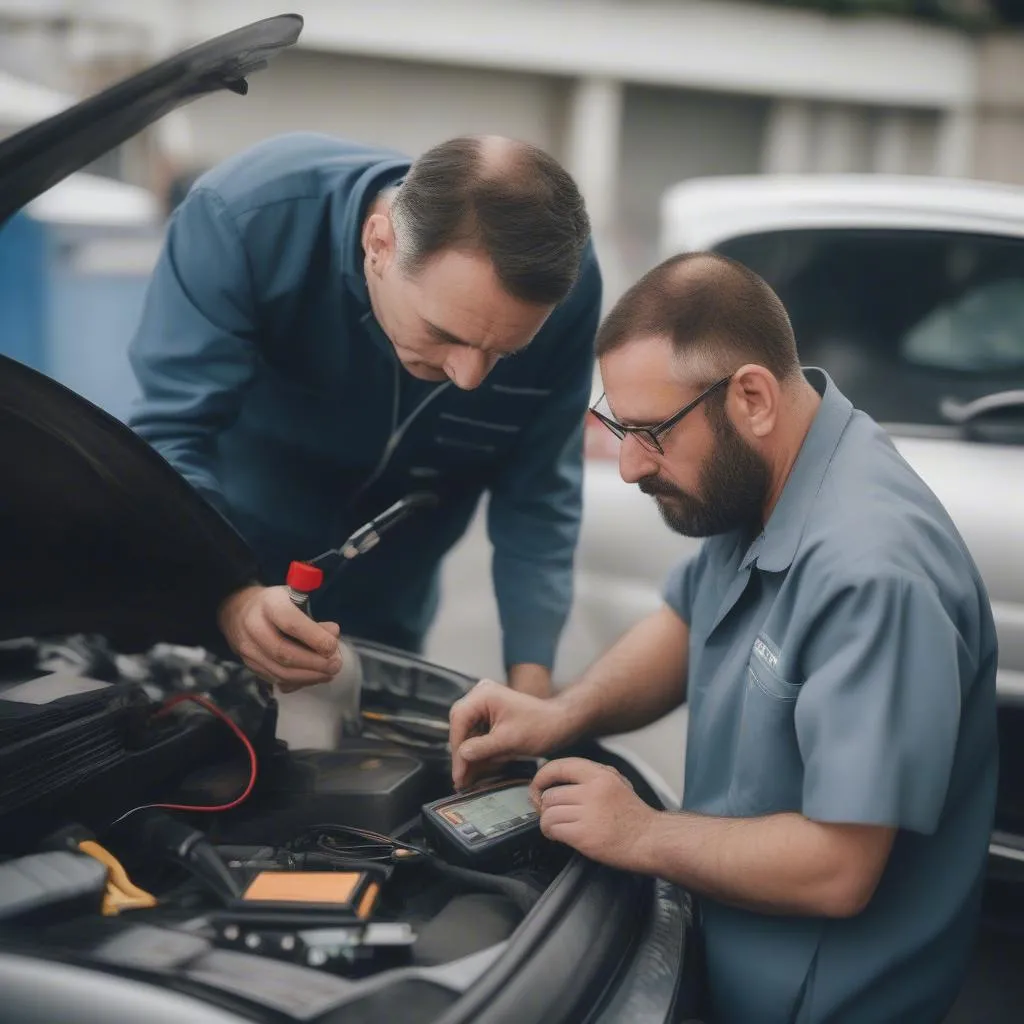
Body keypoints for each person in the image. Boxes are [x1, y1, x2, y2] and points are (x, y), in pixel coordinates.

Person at [449, 253, 998, 1023]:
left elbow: (838, 869)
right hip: (723, 955)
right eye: (617, 425)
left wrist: (640, 832)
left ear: (751, 397)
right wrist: (558, 716)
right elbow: (687, 621)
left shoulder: (876, 575)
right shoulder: (769, 474)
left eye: (650, 433)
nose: (632, 465)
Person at [128, 132, 600, 698]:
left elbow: (540, 494)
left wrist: (532, 689)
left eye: (505, 352)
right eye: (444, 334)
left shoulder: (561, 286)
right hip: (213, 575)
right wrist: (228, 595)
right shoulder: (246, 219)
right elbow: (170, 438)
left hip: (388, 612)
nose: (469, 378)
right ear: (379, 243)